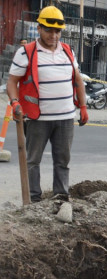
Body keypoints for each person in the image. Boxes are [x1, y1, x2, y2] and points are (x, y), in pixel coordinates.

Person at [6, 5, 88, 203]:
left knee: (63, 162)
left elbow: (77, 80)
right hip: (37, 118)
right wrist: (15, 102)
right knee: (33, 161)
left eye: (57, 31)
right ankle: (34, 200)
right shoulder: (25, 53)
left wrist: (83, 106)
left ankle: (61, 197)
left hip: (66, 118)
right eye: (49, 30)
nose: (53, 35)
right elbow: (12, 82)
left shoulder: (68, 51)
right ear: (39, 28)